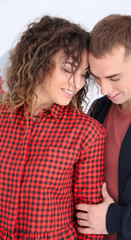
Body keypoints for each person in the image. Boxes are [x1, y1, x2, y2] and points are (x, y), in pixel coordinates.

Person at [0, 15, 106, 239]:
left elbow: (89, 223)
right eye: (68, 69)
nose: (76, 84)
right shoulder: (2, 117)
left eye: (83, 75)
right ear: (40, 61)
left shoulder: (87, 133)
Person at [76, 14, 131, 240]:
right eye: (97, 78)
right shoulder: (98, 109)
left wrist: (116, 219)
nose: (104, 89)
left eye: (114, 77)